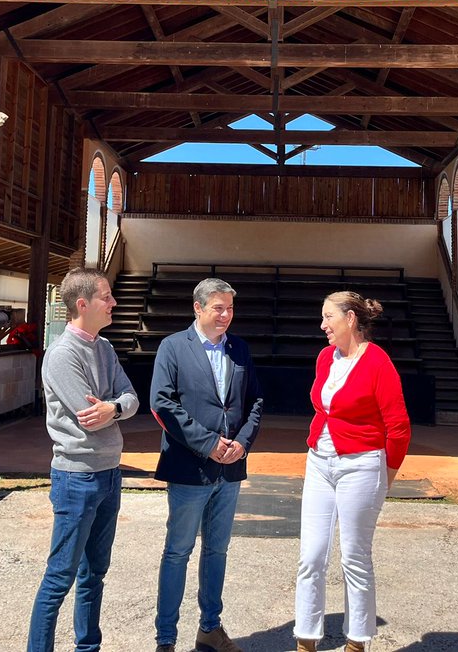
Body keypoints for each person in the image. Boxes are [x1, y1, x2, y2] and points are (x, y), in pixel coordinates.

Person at [27, 268, 138, 652]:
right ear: (83, 304)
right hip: (77, 478)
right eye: (106, 297)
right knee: (60, 576)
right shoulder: (62, 355)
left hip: (109, 474)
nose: (113, 303)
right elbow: (88, 418)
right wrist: (115, 407)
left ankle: (87, 647)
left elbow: (130, 399)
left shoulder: (104, 349)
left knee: (96, 574)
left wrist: (114, 407)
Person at [151, 277, 265, 652]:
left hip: (229, 470)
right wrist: (209, 444)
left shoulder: (240, 349)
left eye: (230, 308)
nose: (226, 315)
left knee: (217, 551)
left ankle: (210, 629)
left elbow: (255, 403)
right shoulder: (172, 347)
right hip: (189, 469)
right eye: (219, 307)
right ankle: (166, 639)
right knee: (177, 552)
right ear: (197, 308)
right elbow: (163, 404)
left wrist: (242, 445)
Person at [294, 291, 411, 652]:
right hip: (319, 461)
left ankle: (357, 640)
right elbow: (323, 409)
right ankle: (306, 639)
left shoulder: (377, 361)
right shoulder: (325, 357)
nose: (323, 325)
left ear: (351, 319)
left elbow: (399, 427)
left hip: (361, 465)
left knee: (354, 556)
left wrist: (385, 476)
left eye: (329, 317)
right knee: (311, 556)